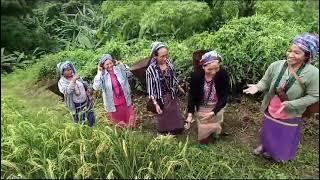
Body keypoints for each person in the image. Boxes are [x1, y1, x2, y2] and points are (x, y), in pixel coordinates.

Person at [243, 33, 319, 162]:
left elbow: (314, 96)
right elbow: (265, 81)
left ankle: (277, 154)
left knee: (284, 133)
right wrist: (257, 87)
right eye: (289, 50)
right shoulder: (276, 65)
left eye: (297, 52)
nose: (290, 54)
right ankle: (264, 146)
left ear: (307, 56)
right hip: (272, 106)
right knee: (268, 128)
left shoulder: (313, 73)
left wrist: (291, 104)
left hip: (291, 111)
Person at [185, 51, 230, 148]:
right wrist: (190, 113)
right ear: (203, 66)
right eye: (210, 69)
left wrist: (214, 111)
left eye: (216, 68)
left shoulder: (222, 74)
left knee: (216, 119)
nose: (213, 72)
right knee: (203, 123)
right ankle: (203, 139)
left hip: (217, 105)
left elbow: (224, 95)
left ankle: (215, 132)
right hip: (202, 105)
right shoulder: (196, 76)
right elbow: (192, 95)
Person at [146, 42, 184, 135]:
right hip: (160, 97)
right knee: (163, 116)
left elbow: (173, 77)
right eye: (162, 56)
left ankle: (176, 129)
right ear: (155, 56)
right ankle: (165, 132)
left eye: (166, 55)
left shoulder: (169, 64)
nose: (165, 58)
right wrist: (156, 104)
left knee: (174, 113)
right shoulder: (150, 70)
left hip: (171, 95)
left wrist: (178, 86)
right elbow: (151, 89)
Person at [93, 54, 136, 128]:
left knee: (128, 115)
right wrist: (99, 72)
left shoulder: (118, 69)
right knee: (118, 118)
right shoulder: (102, 75)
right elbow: (96, 87)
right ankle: (121, 131)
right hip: (113, 101)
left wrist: (121, 65)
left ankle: (130, 130)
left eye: (110, 63)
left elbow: (130, 73)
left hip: (124, 98)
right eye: (107, 64)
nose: (109, 66)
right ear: (103, 66)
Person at [57, 60, 95, 127]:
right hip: (76, 106)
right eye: (67, 70)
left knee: (91, 118)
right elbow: (67, 92)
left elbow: (83, 84)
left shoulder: (75, 76)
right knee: (81, 122)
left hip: (86, 102)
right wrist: (73, 80)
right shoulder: (62, 82)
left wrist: (88, 90)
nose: (70, 71)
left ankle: (93, 129)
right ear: (62, 72)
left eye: (70, 69)